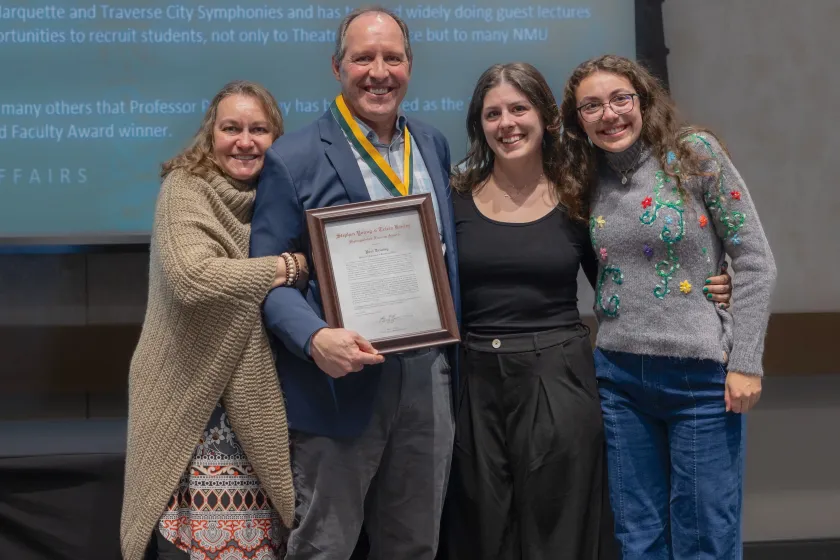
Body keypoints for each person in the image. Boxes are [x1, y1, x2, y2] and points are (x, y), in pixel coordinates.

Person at [249, 6, 458, 559]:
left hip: (425, 377)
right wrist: (315, 338)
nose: (378, 71)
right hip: (338, 383)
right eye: (363, 57)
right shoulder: (291, 159)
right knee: (325, 547)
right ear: (337, 66)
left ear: (410, 65)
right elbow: (265, 279)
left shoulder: (433, 145)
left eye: (392, 57)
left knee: (415, 544)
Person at [558, 54, 776, 559]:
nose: (609, 114)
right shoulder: (585, 177)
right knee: (638, 536)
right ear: (577, 120)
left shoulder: (693, 154)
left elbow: (755, 261)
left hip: (699, 380)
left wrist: (746, 361)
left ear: (644, 100)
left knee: (705, 535)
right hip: (619, 379)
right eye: (591, 106)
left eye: (620, 99)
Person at [121, 81, 304, 560]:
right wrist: (287, 267)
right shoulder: (185, 188)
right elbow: (193, 278)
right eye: (232, 128)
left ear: (277, 138)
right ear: (211, 135)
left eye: (259, 129)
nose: (245, 141)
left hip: (264, 404)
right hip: (197, 406)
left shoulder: (283, 196)